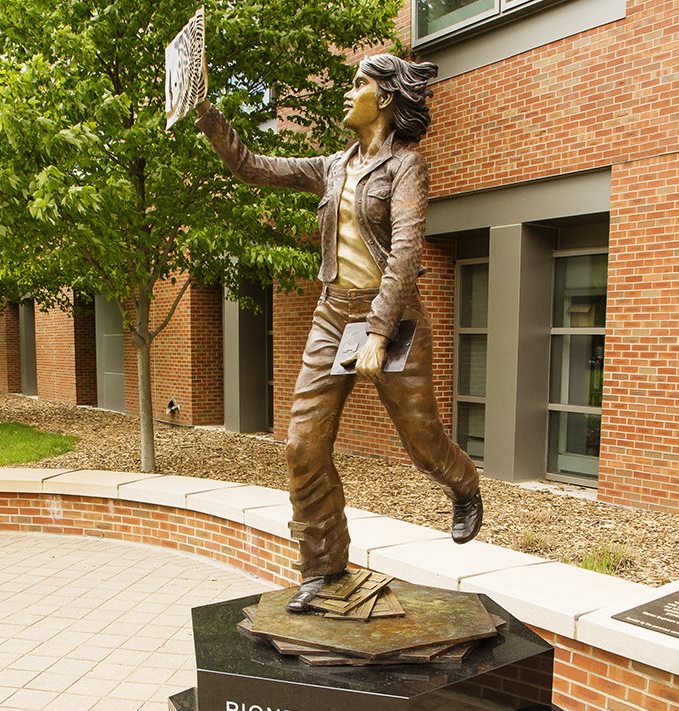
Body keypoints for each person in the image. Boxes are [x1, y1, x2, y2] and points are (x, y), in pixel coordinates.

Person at [196, 54, 482, 612]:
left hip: (393, 317)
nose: (347, 93)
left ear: (387, 98)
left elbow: (405, 252)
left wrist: (377, 331)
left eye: (359, 84)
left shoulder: (407, 168)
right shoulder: (333, 166)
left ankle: (465, 487)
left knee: (422, 444)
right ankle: (323, 568)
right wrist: (209, 114)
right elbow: (251, 166)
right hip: (332, 314)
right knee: (302, 445)